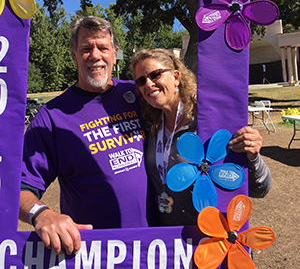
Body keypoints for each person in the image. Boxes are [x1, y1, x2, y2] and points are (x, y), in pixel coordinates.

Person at [19, 16, 155, 255]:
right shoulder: (51, 117)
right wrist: (41, 213)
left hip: (156, 246)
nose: (95, 55)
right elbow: (19, 188)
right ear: (74, 56)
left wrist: (241, 136)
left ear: (114, 53)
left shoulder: (139, 93)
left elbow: (186, 121)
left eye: (102, 47)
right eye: (85, 49)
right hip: (95, 253)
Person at [131, 48, 272, 226]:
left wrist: (252, 157)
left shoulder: (208, 122)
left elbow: (261, 188)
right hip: (169, 242)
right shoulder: (150, 125)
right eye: (141, 80)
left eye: (155, 75)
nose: (148, 84)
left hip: (211, 239)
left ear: (175, 77)